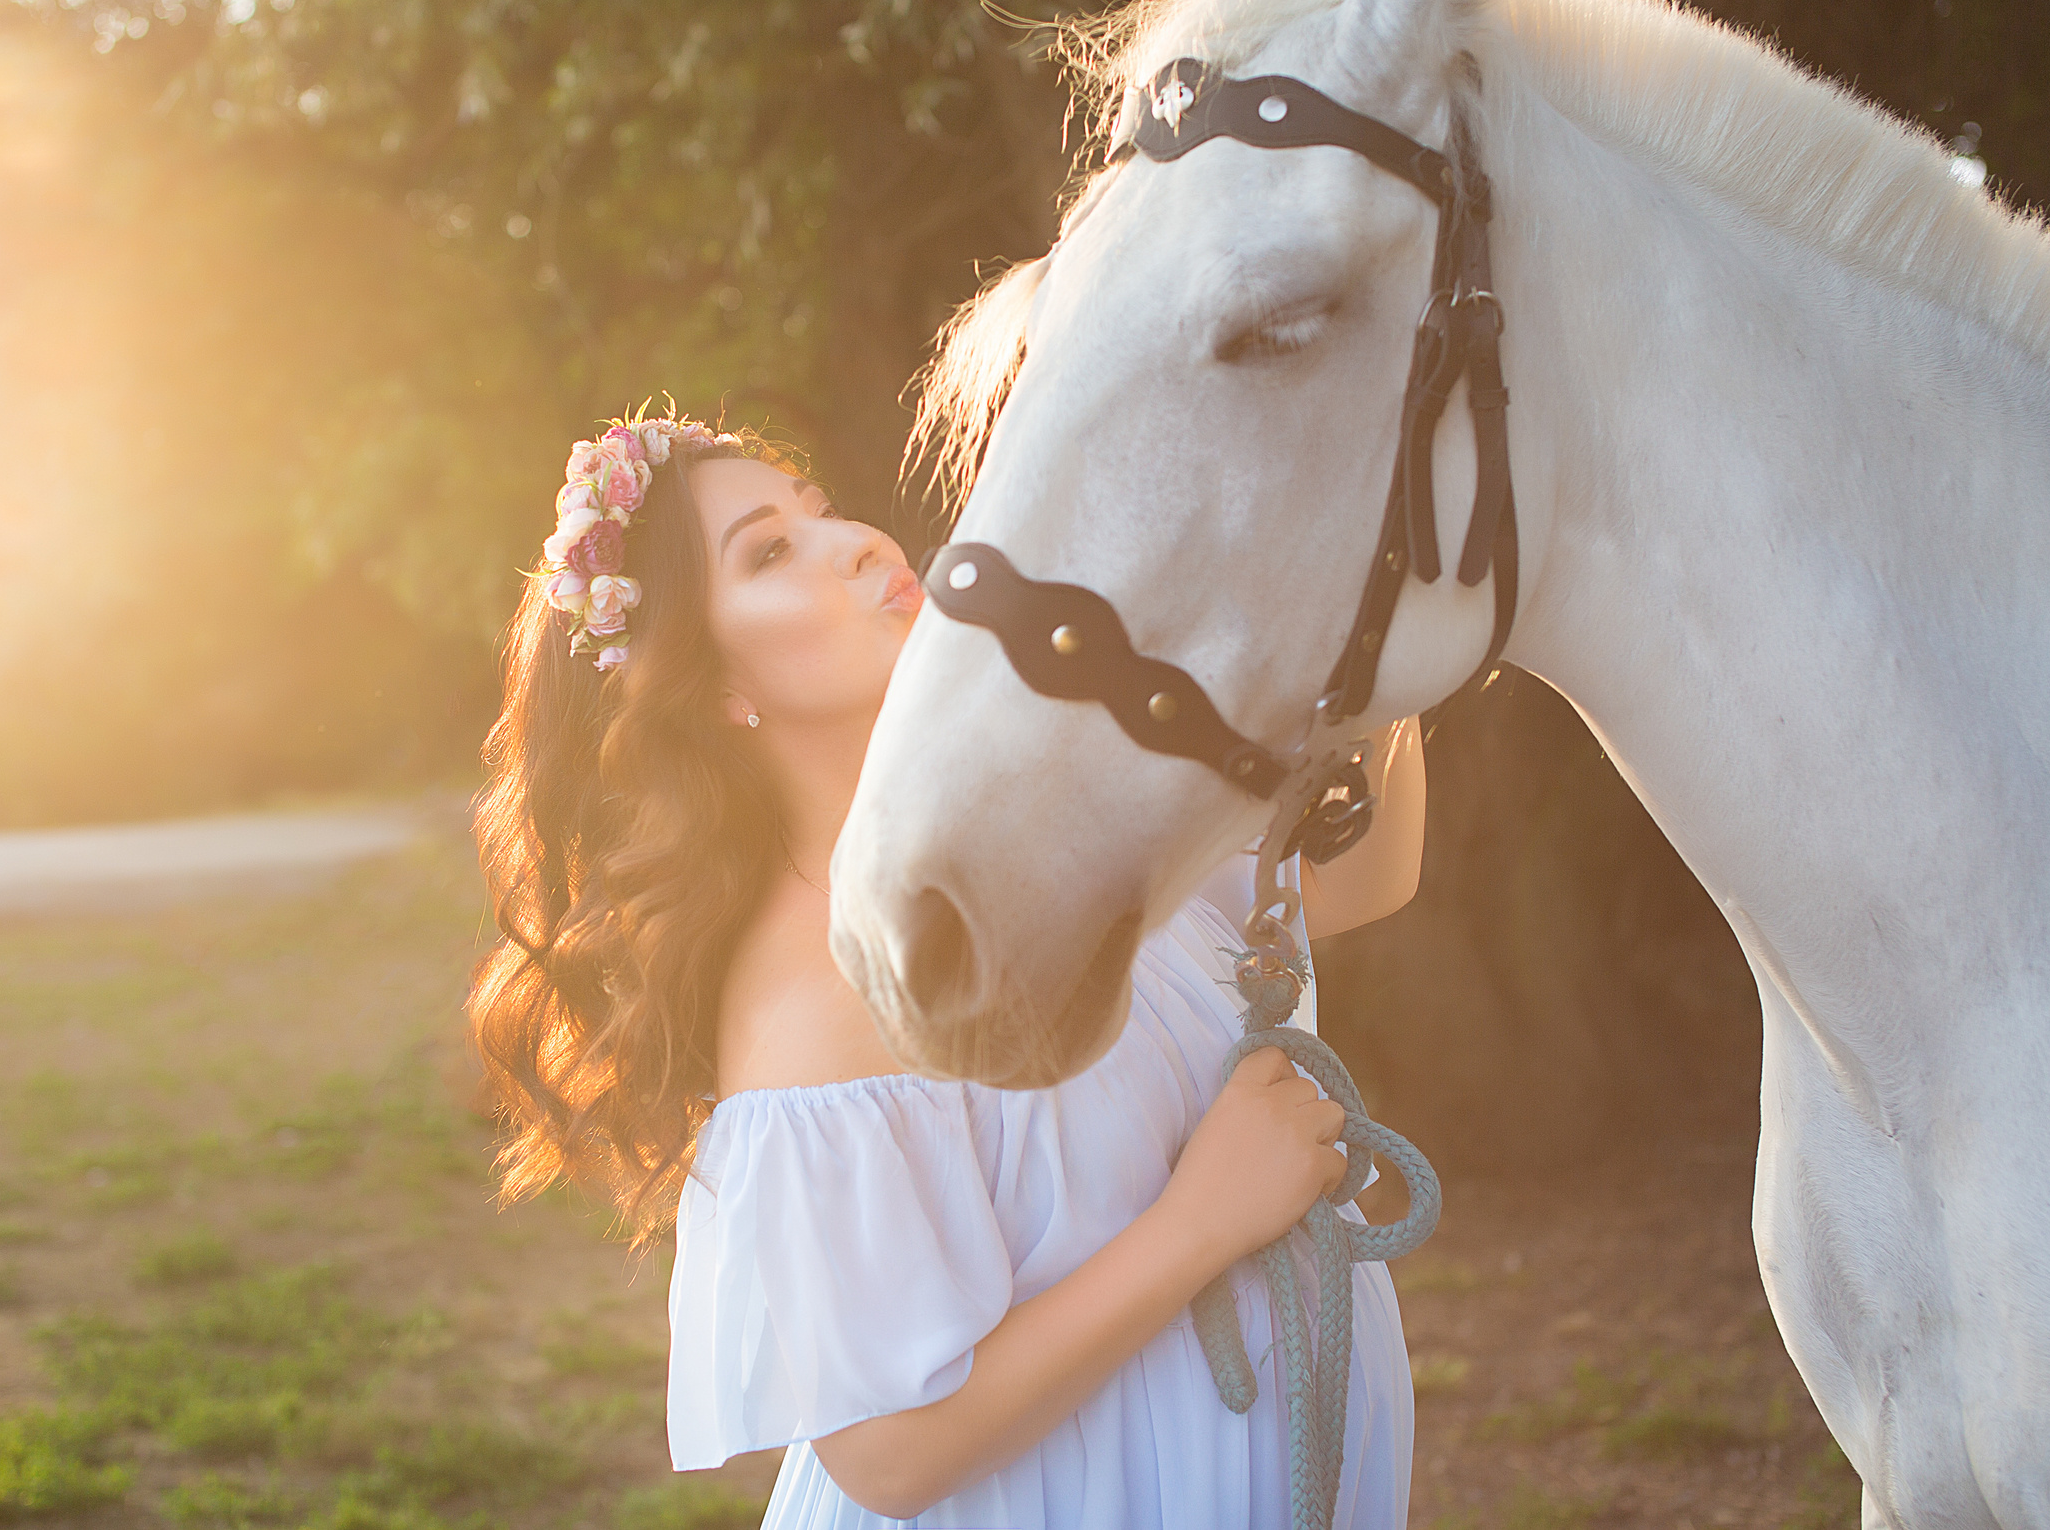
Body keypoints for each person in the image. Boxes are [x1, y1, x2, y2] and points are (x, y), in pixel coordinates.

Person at [469, 411, 1426, 1529]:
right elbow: (891, 1456)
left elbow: (1353, 884)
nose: (858, 542)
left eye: (817, 510)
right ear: (710, 685)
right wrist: (1202, 1222)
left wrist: (1385, 654)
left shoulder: (1058, 800)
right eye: (769, 552)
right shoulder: (815, 999)